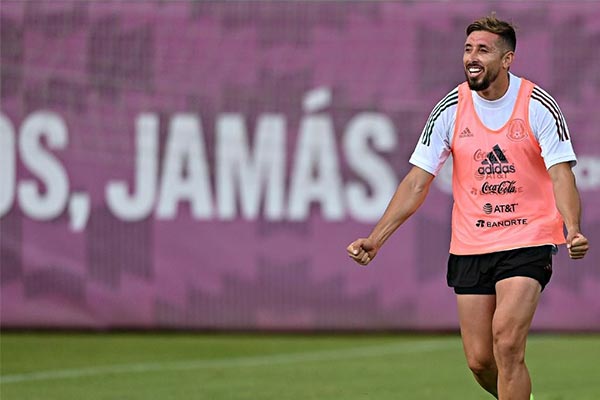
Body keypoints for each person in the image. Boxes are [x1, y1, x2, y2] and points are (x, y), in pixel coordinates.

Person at [346, 14, 589, 400]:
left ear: (507, 59)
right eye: (468, 49)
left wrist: (571, 228)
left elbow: (562, 175)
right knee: (480, 361)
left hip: (528, 238)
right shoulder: (450, 108)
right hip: (471, 244)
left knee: (507, 343)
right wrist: (377, 238)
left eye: (483, 50)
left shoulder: (537, 105)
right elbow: (416, 181)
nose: (472, 57)